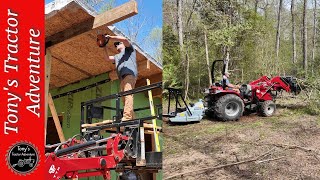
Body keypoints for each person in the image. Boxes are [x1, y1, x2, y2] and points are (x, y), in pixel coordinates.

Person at [103, 35, 138, 121]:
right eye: (115, 45)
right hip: (122, 79)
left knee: (127, 95)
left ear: (123, 44)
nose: (116, 45)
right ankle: (133, 118)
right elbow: (107, 58)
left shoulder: (129, 50)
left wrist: (110, 37)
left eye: (118, 43)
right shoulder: (117, 56)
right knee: (124, 99)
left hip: (129, 75)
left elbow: (125, 39)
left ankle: (127, 116)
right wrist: (103, 45)